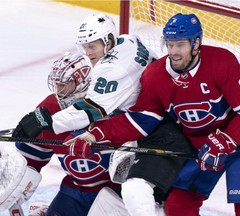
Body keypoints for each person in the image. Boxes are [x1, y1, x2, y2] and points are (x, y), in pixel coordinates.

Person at [64, 13, 240, 216]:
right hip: (201, 148)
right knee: (178, 207)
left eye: (179, 45)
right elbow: (141, 120)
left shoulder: (222, 63)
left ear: (196, 43)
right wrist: (94, 135)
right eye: (169, 44)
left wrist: (225, 141)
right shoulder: (155, 76)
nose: (173, 52)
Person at [11, 12, 160, 215]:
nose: (60, 91)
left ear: (108, 41)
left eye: (92, 46)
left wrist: (48, 123)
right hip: (74, 190)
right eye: (58, 85)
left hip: (112, 193)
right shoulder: (51, 105)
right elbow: (30, 156)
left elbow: (87, 111)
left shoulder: (113, 97)